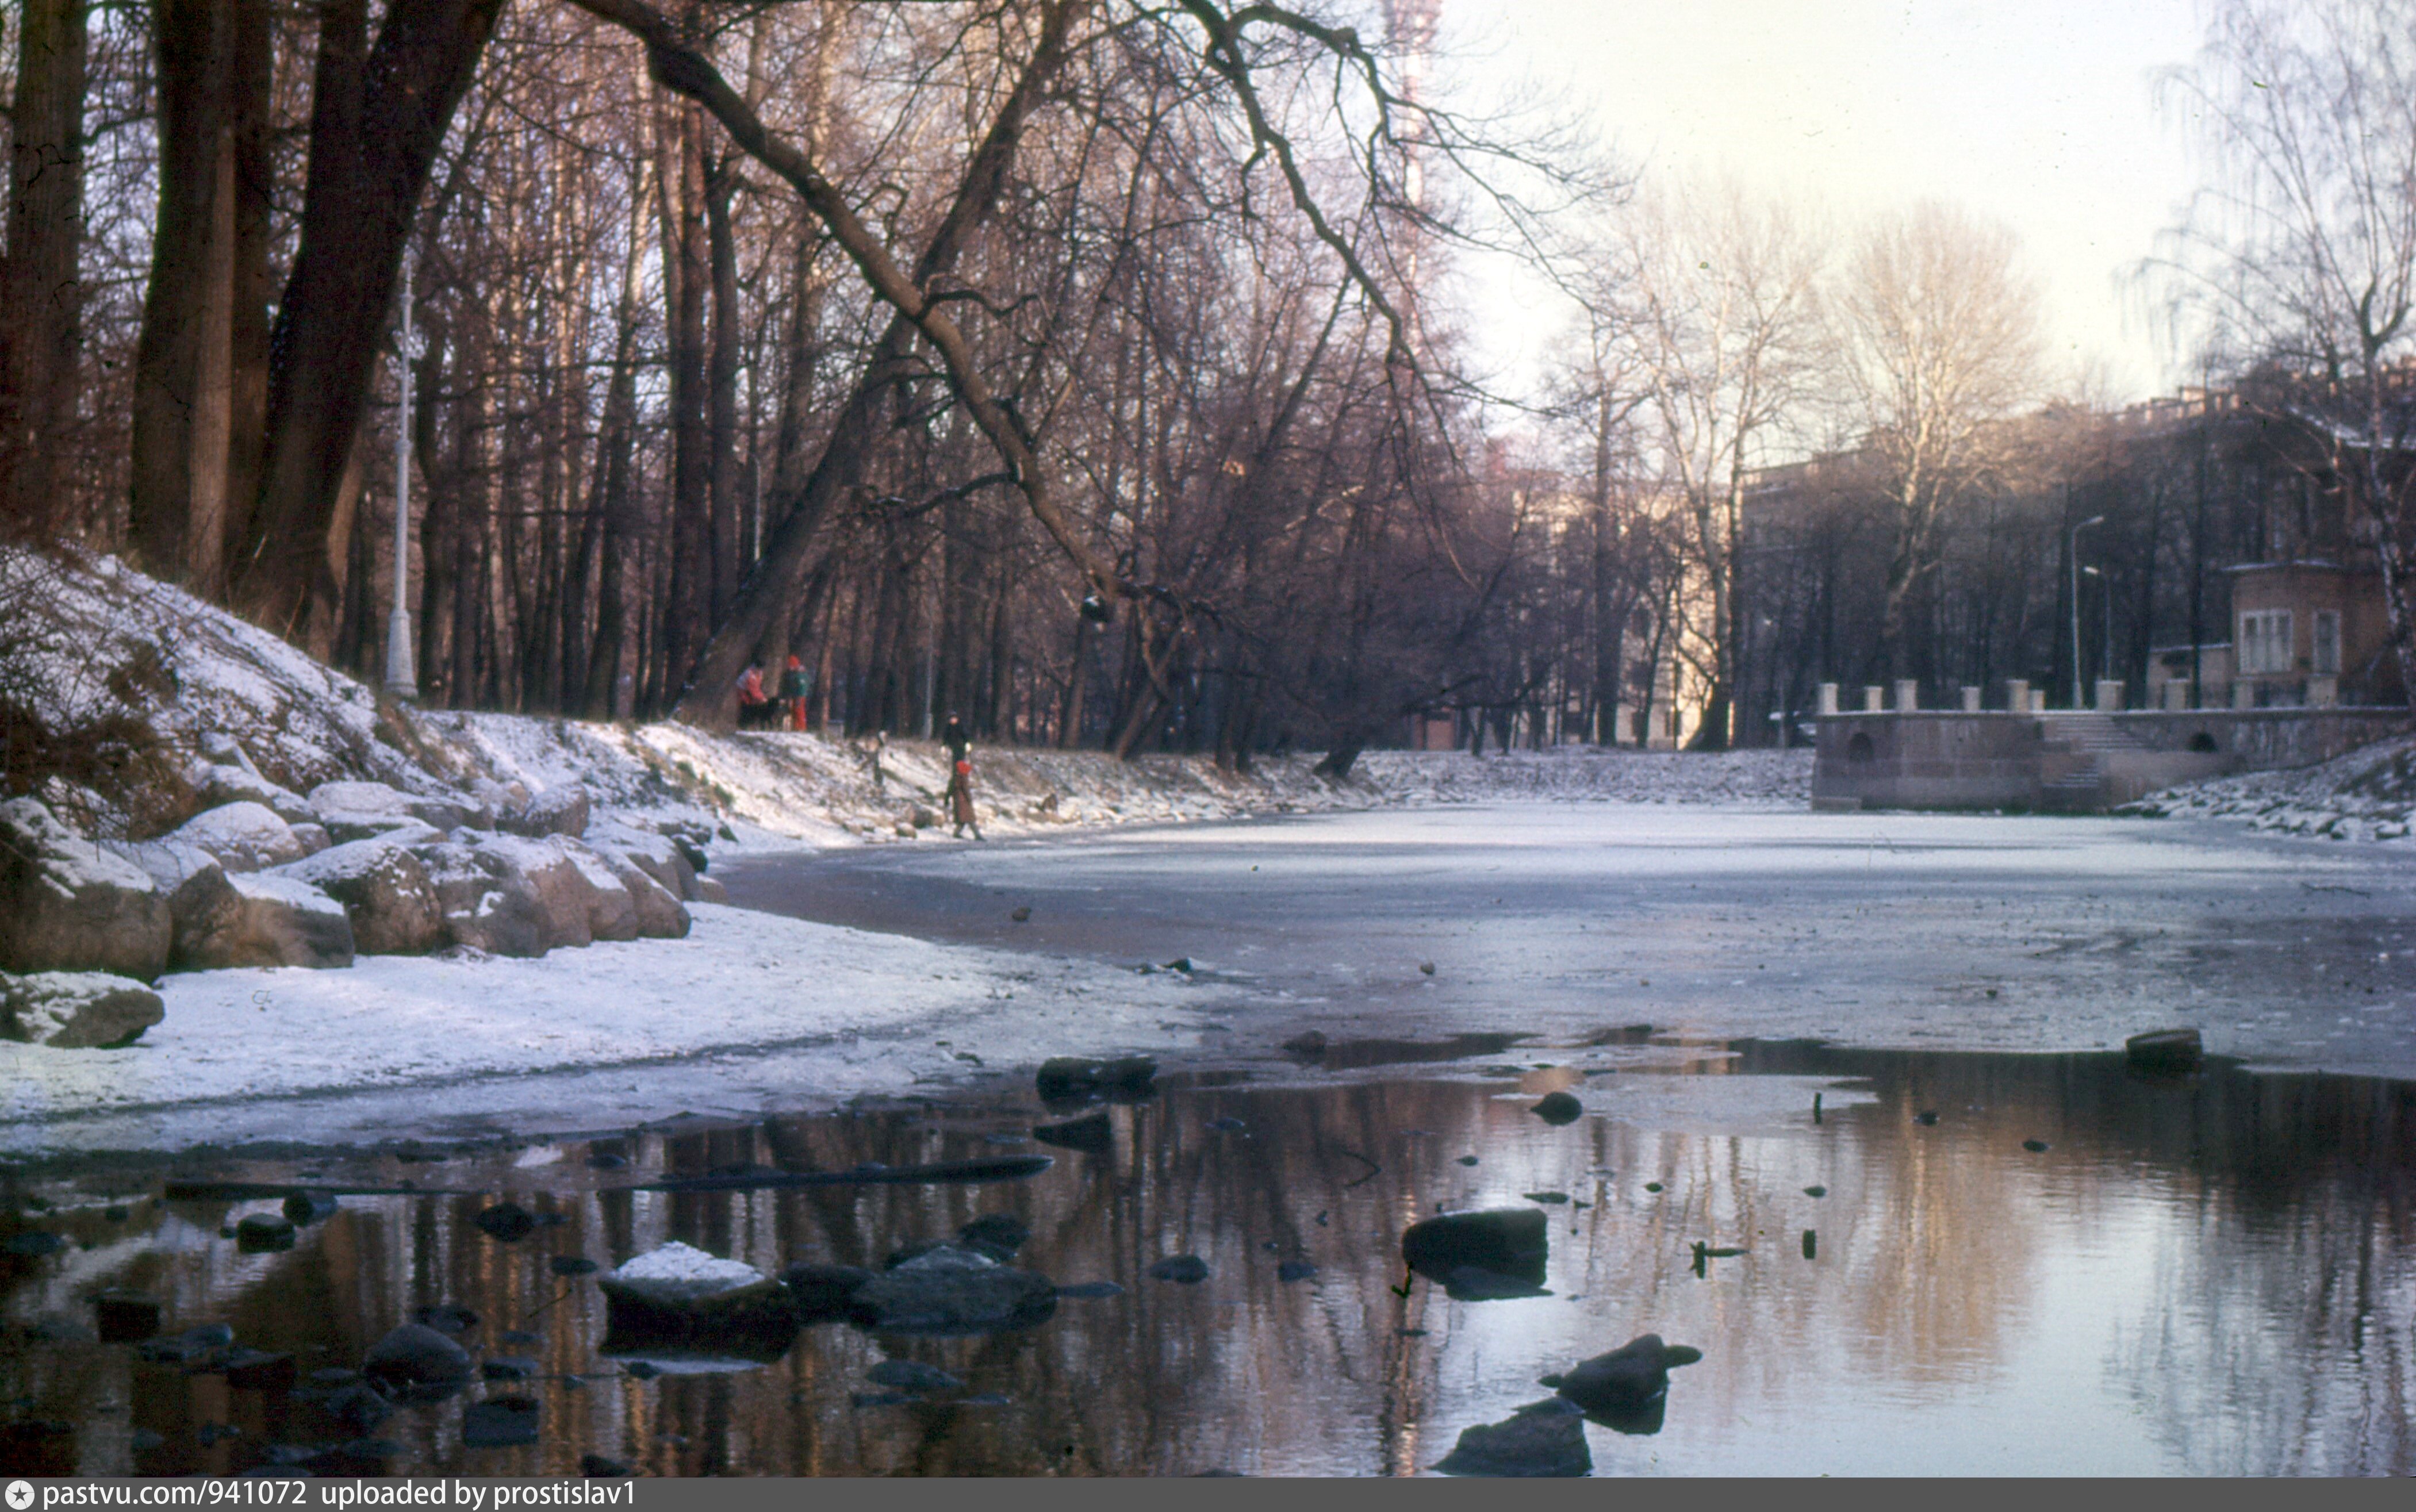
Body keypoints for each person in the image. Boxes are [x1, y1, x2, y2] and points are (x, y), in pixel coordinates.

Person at [942, 712, 981, 840]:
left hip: (960, 750)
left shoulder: (960, 728)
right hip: (963, 800)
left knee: (964, 819)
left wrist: (967, 743)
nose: (953, 721)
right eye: (951, 719)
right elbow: (965, 787)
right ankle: (976, 835)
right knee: (968, 818)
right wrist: (944, 745)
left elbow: (966, 736)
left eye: (954, 719)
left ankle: (960, 833)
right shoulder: (961, 777)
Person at [779, 655, 811, 732]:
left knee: (799, 711)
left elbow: (802, 686)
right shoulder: (795, 674)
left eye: (790, 665)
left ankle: (801, 728)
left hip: (799, 696)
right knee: (795, 711)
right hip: (796, 696)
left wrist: (799, 696)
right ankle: (796, 727)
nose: (789, 667)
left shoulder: (800, 675)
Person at [735, 662, 769, 729]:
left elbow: (757, 687)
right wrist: (761, 698)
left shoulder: (760, 674)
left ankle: (749, 724)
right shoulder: (749, 674)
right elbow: (752, 688)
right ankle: (743, 725)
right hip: (743, 690)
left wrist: (762, 697)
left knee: (755, 705)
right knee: (747, 706)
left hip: (750, 692)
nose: (760, 671)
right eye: (759, 669)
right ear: (756, 668)